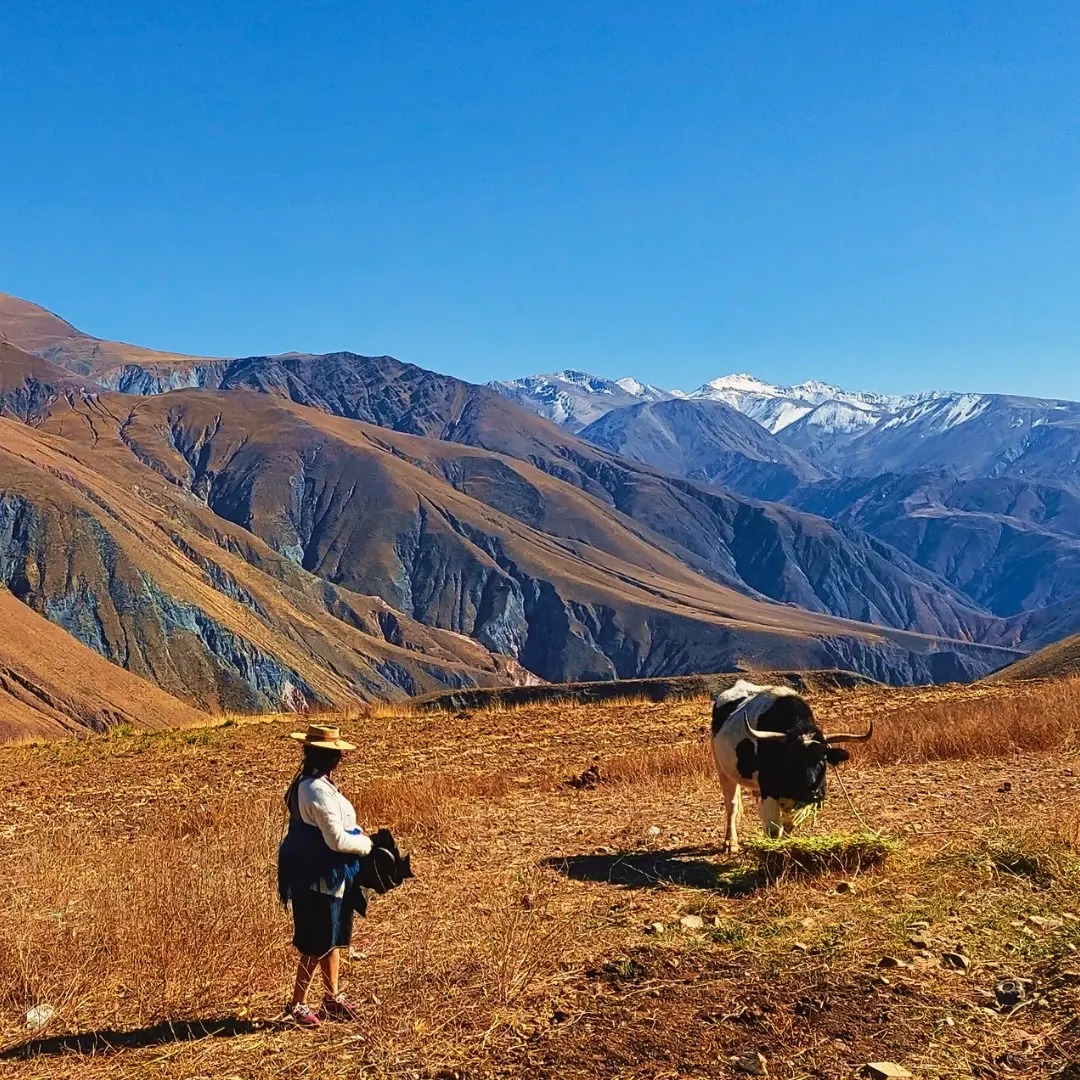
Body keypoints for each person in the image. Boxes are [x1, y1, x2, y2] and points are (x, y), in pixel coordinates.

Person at [277, 723, 374, 1029]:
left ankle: (331, 997)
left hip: (321, 871)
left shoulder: (309, 783)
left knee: (329, 938)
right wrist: (366, 845)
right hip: (320, 872)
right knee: (316, 941)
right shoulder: (316, 789)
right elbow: (336, 840)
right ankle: (297, 1004)